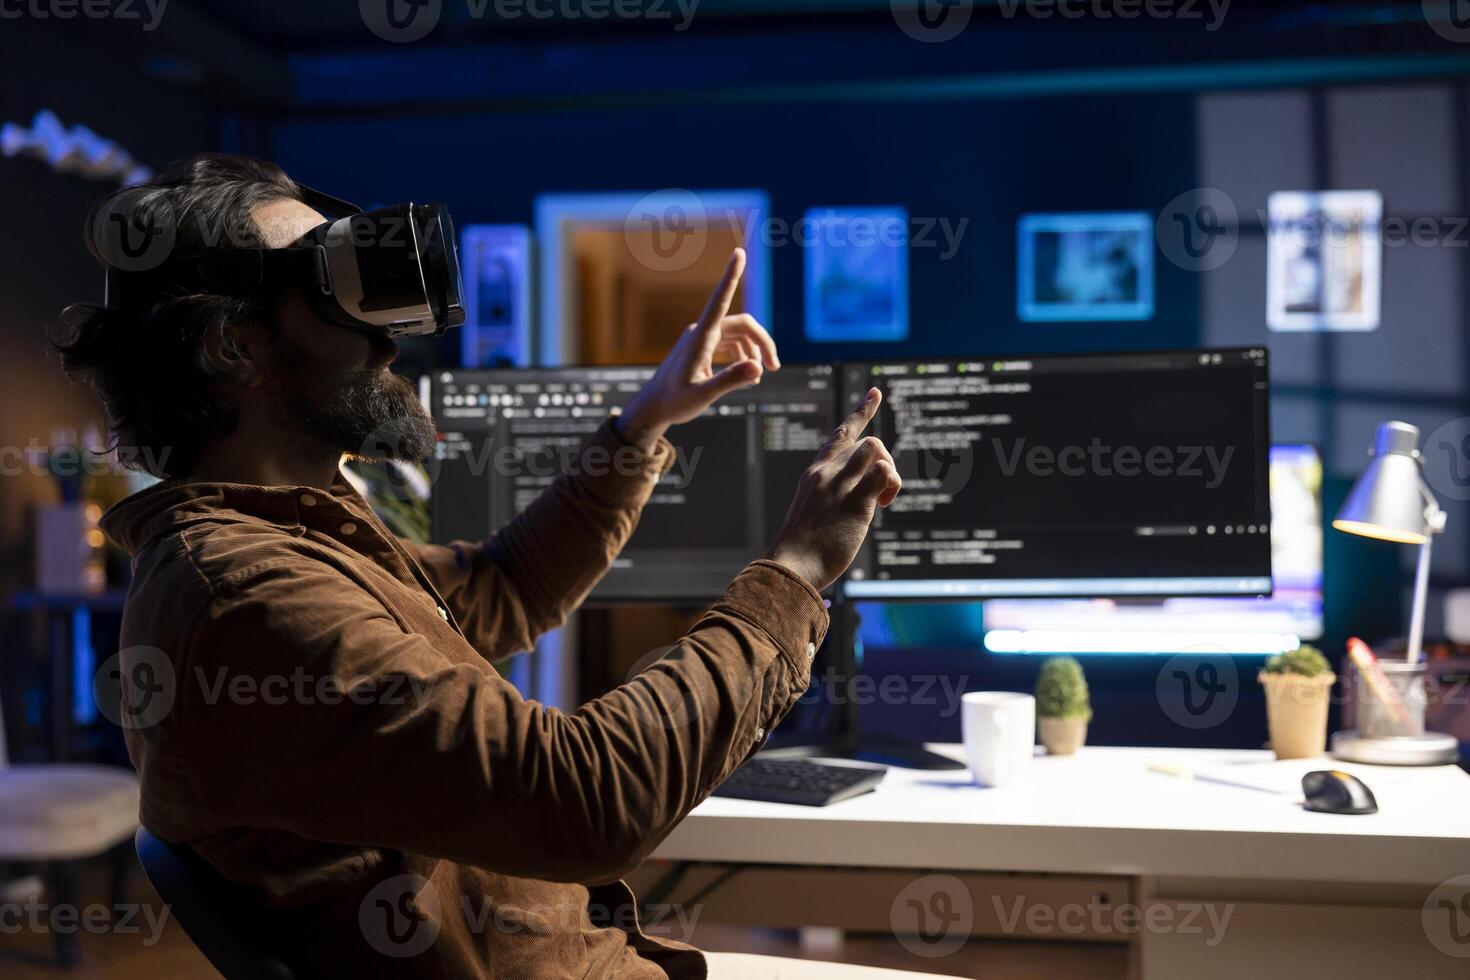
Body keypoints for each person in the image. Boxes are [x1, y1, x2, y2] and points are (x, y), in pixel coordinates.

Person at [54, 154, 955, 978]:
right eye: (329, 292)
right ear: (233, 347)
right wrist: (794, 571)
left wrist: (644, 424)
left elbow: (498, 591)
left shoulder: (295, 536)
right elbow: (587, 801)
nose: (383, 341)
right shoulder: (248, 596)